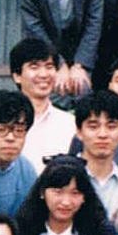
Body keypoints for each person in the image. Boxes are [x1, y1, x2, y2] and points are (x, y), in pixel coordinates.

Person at [71, 89, 118, 219]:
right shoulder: (61, 180)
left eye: (111, 126)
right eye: (93, 126)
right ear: (79, 132)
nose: (102, 134)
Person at [9, 37, 77, 171]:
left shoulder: (70, 124)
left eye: (49, 67)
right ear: (17, 76)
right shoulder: (4, 124)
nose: (44, 74)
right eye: (34, 67)